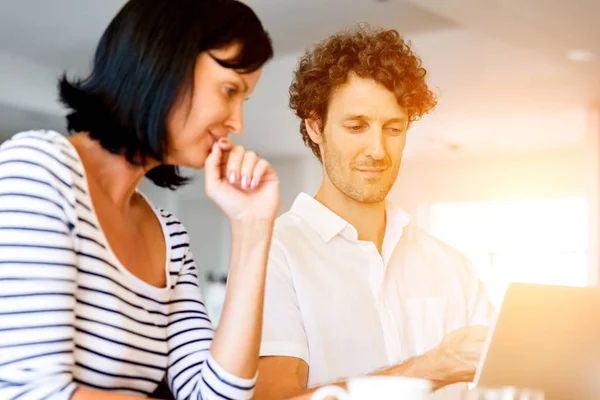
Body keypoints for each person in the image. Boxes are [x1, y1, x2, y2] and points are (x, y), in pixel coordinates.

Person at [0, 0, 278, 399]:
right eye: (230, 90)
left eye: (243, 100)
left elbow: (217, 396)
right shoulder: (37, 171)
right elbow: (31, 393)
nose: (238, 122)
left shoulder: (170, 239)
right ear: (166, 63)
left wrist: (252, 227)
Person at [254, 25, 495, 400]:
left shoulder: (452, 267)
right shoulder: (272, 256)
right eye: (356, 126)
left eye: (393, 129)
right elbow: (274, 398)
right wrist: (429, 369)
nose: (378, 150)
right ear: (315, 126)